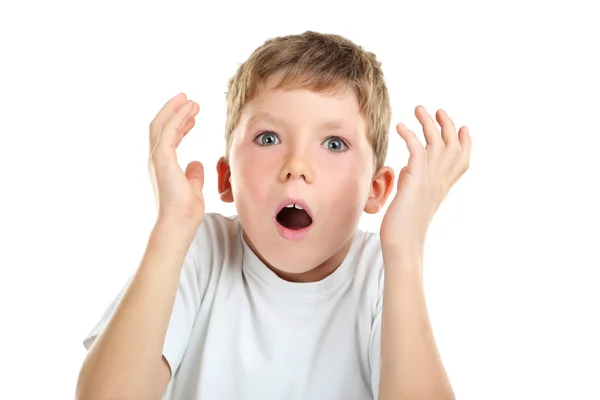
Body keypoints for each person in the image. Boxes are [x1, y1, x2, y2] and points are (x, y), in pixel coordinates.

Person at [75, 31, 471, 400]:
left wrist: (406, 249)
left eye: (334, 143)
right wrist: (171, 228)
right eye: (268, 138)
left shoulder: (383, 273)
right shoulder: (198, 250)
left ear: (376, 188)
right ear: (227, 177)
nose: (296, 165)